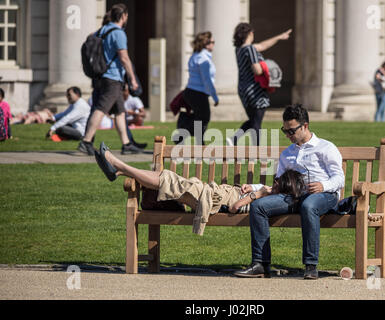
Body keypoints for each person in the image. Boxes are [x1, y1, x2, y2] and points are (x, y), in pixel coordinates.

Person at [94, 140, 306, 236]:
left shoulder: (267, 201)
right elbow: (245, 189)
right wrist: (251, 187)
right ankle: (120, 170)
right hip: (210, 192)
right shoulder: (270, 191)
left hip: (212, 201)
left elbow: (234, 208)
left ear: (284, 189)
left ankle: (119, 165)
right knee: (168, 177)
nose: (274, 181)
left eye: (278, 182)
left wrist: (254, 194)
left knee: (169, 178)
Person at [233, 104, 345, 280]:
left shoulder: (325, 147)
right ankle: (260, 264)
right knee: (259, 206)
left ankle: (310, 265)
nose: (287, 135)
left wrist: (323, 186)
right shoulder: (287, 153)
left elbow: (340, 178)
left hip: (324, 195)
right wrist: (255, 188)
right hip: (294, 196)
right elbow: (278, 186)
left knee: (308, 206)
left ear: (305, 126)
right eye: (284, 131)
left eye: (291, 131)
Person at [78, 3, 141, 155]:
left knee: (120, 112)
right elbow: (124, 57)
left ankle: (126, 144)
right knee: (100, 109)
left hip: (102, 77)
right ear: (124, 16)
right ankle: (86, 141)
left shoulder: (102, 30)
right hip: (112, 78)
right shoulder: (118, 33)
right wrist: (132, 79)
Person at [227, 23, 291, 146]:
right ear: (250, 34)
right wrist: (266, 65)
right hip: (255, 90)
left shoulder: (240, 49)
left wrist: (279, 37)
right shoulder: (250, 49)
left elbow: (262, 45)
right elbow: (257, 70)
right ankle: (256, 151)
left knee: (253, 120)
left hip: (243, 90)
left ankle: (233, 139)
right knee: (256, 122)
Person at [182, 31, 219, 145]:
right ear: (206, 44)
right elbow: (206, 80)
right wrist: (215, 96)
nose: (213, 44)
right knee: (204, 118)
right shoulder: (203, 59)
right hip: (197, 93)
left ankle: (199, 143)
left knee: (200, 118)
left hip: (192, 92)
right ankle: (182, 133)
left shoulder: (196, 55)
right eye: (212, 42)